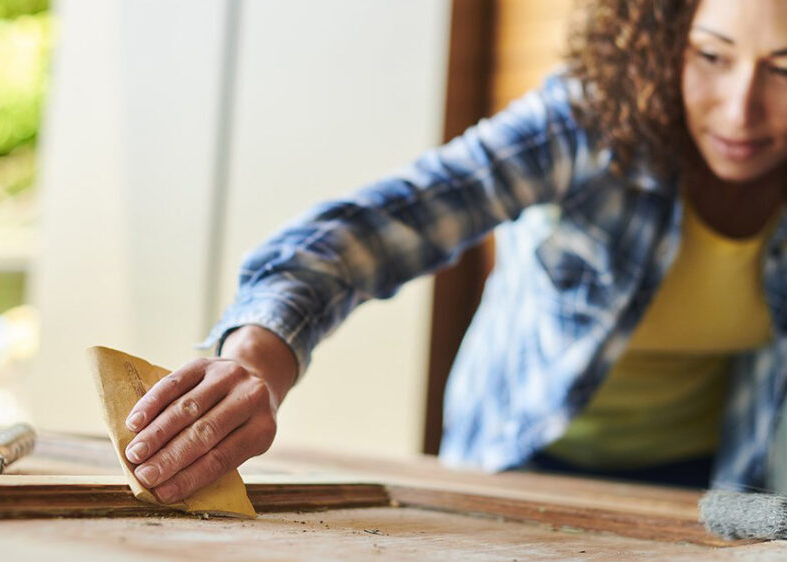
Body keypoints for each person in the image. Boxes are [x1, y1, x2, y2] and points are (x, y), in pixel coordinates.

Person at [121, 0, 787, 503]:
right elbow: (373, 229)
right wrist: (255, 358)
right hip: (515, 471)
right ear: (665, 36)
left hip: (713, 489)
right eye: (710, 55)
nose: (740, 111)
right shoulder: (588, 123)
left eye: (785, 68)